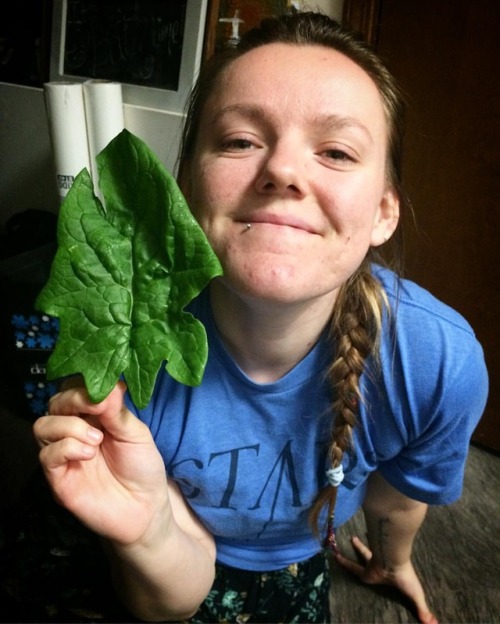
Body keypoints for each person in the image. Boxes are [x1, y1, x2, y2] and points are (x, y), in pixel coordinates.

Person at [33, 11, 488, 624]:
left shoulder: (438, 362)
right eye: (242, 141)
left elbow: (398, 498)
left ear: (383, 212)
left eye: (335, 150)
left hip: (298, 560)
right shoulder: (117, 363)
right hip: (173, 552)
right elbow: (166, 597)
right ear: (189, 188)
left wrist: (393, 560)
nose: (282, 171)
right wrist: (146, 534)